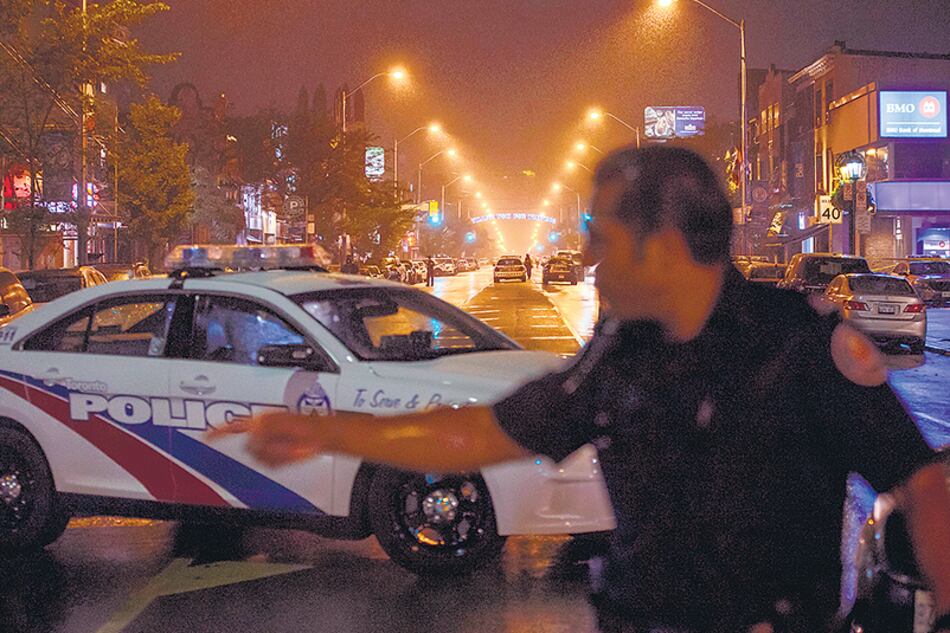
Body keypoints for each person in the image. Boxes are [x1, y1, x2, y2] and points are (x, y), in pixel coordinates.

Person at [214, 146, 950, 633]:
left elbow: (925, 482)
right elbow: (483, 435)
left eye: (601, 235)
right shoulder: (620, 352)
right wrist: (333, 433)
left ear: (661, 246)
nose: (589, 257)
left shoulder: (803, 345)